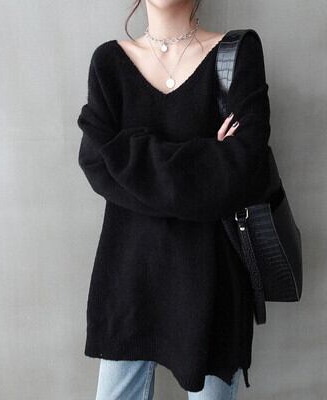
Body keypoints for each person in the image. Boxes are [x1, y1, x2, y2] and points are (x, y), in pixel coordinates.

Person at [77, 0, 271, 398]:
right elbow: (95, 163)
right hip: (127, 282)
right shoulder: (109, 62)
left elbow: (242, 169)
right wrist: (207, 157)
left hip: (213, 286)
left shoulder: (237, 54)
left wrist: (129, 154)